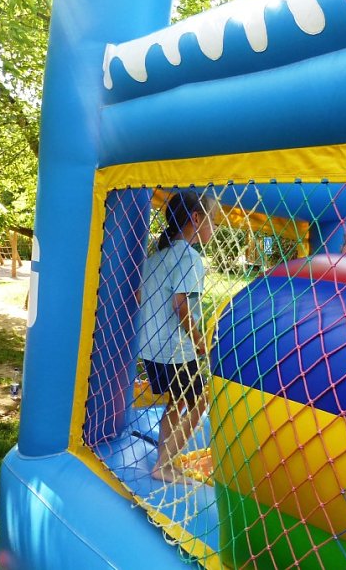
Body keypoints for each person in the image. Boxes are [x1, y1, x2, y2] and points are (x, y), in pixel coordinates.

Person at [137, 191, 215, 483]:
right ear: (196, 219)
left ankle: (163, 461)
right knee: (198, 403)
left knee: (177, 401)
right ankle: (164, 464)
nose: (214, 228)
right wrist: (200, 343)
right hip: (176, 350)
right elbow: (181, 305)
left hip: (152, 348)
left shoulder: (156, 257)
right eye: (212, 221)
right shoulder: (190, 258)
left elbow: (141, 296)